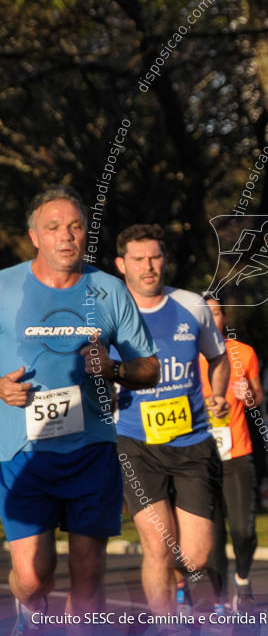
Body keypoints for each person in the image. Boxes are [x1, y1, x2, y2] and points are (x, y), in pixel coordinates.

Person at [0, 187, 159, 633]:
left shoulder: (109, 290)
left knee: (88, 579)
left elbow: (150, 368)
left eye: (75, 227)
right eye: (53, 228)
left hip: (92, 449)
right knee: (33, 578)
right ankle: (29, 610)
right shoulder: (4, 288)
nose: (66, 237)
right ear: (34, 236)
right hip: (22, 452)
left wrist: (115, 368)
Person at [113, 224, 229, 615]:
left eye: (155, 257)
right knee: (159, 546)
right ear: (121, 265)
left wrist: (216, 393)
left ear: (165, 260)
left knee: (195, 555)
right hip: (136, 443)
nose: (148, 266)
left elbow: (217, 356)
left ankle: (181, 585)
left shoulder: (192, 305)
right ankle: (167, 625)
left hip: (192, 442)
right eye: (138, 259)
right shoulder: (110, 315)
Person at [199, 295, 261, 614]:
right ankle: (220, 596)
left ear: (224, 318)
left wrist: (247, 394)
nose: (211, 320)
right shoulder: (184, 355)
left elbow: (255, 398)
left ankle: (243, 578)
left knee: (243, 531)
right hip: (198, 458)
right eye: (204, 314)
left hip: (237, 451)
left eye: (217, 314)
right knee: (211, 534)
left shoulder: (243, 353)